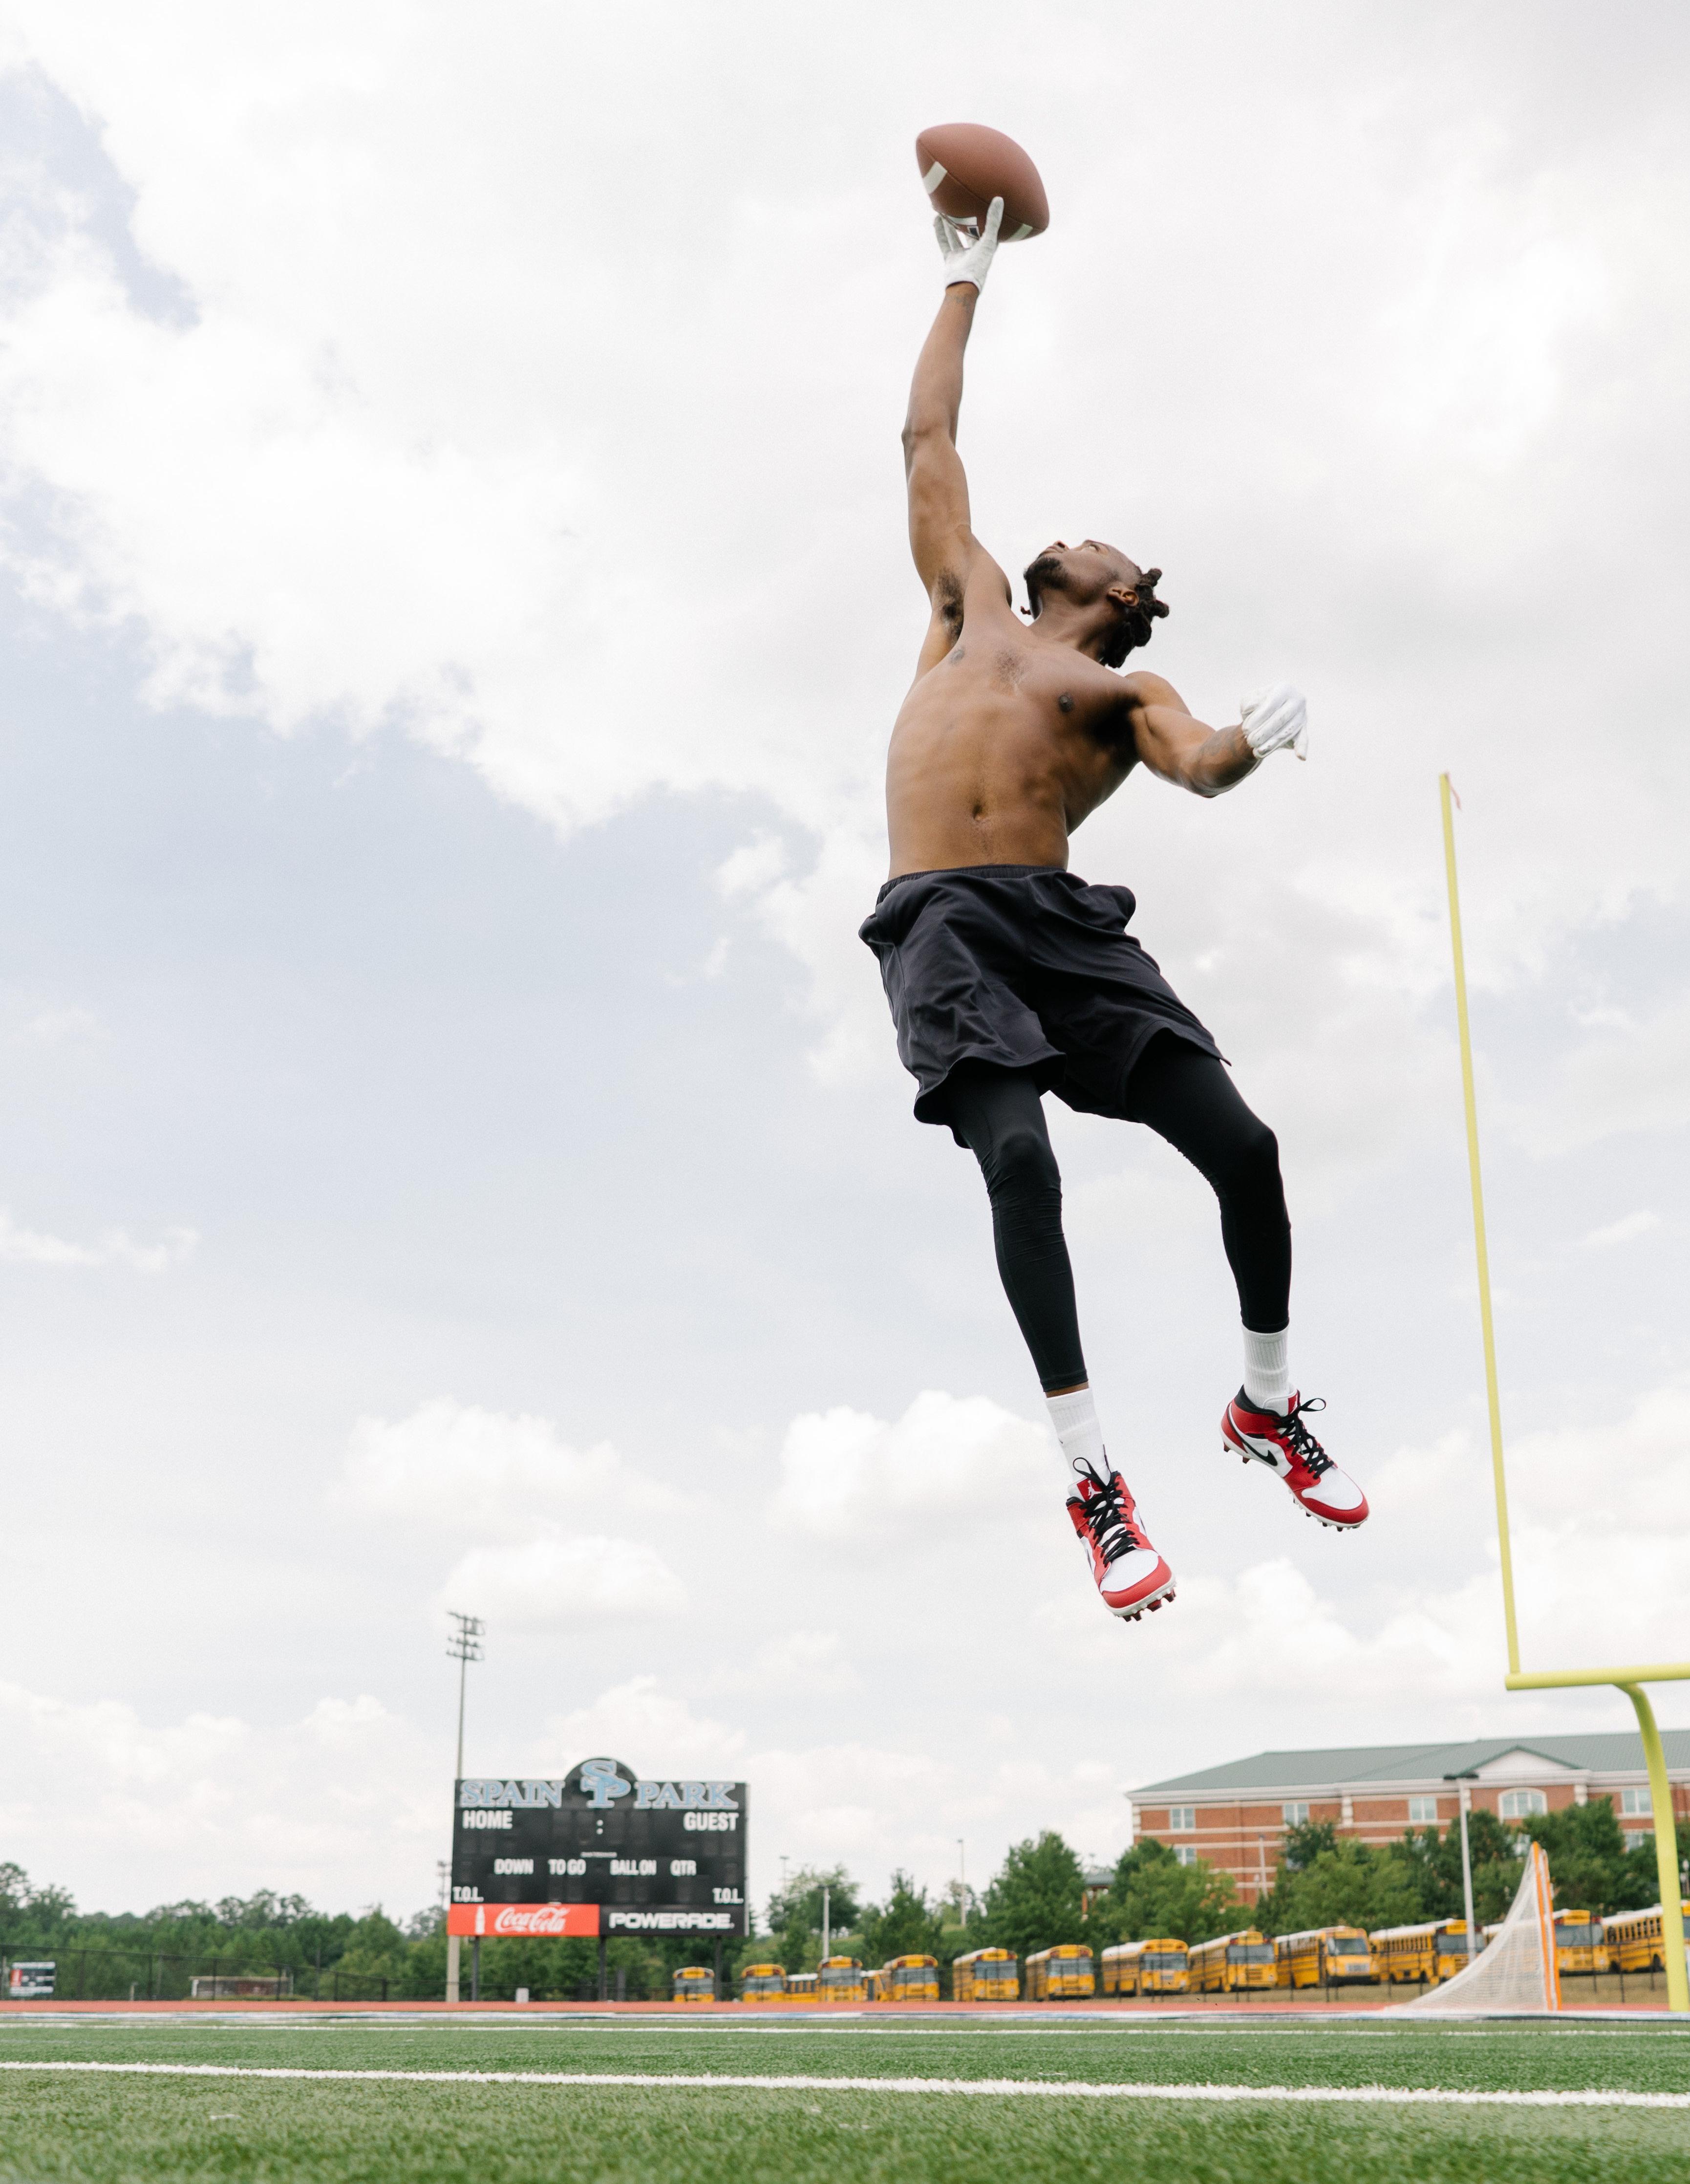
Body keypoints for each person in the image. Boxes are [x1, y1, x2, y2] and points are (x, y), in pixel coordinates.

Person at [858, 200, 1369, 1626]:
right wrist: (965, 279)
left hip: (1064, 926)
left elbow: (1197, 765)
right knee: (1019, 1165)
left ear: (1123, 592)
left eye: (1102, 543)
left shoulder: (1122, 692)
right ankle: (1093, 1480)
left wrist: (1256, 737)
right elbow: (925, 446)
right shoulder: (968, 599)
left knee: (1247, 1149)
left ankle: (1263, 1405)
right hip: (943, 924)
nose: (1070, 535)